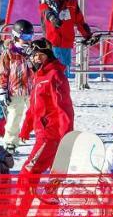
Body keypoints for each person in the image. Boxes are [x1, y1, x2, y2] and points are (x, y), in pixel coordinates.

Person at [19, 37, 74, 176]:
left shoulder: (54, 75)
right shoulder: (39, 77)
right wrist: (26, 128)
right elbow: (33, 107)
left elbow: (64, 108)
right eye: (34, 55)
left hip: (51, 135)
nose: (36, 58)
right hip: (42, 134)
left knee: (28, 172)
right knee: (51, 174)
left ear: (48, 56)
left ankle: (22, 199)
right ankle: (48, 198)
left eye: (40, 55)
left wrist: (66, 137)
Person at [42, 0, 95, 71]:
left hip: (66, 44)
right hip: (52, 43)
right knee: (53, 71)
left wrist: (88, 36)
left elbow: (79, 21)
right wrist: (53, 18)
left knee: (65, 73)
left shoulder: (72, 2)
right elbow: (45, 11)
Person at [0, 20, 37, 152]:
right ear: (15, 36)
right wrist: (2, 89)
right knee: (14, 116)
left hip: (33, 90)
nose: (27, 40)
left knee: (38, 115)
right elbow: (3, 71)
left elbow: (39, 69)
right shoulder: (9, 52)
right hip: (15, 90)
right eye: (24, 37)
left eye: (30, 37)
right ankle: (10, 142)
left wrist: (32, 56)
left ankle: (43, 138)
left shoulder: (33, 51)